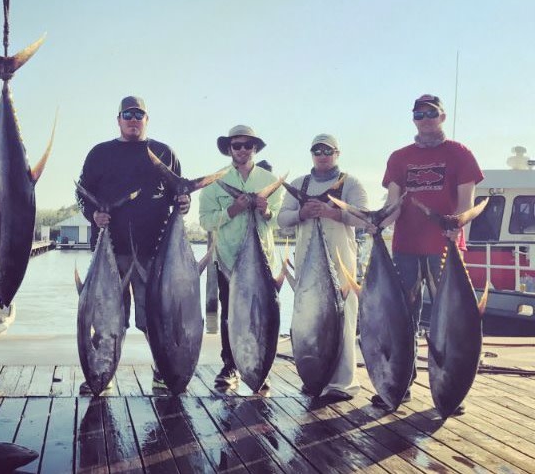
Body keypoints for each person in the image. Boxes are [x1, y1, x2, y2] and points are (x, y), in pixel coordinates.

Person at [76, 96, 190, 390]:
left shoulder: (164, 152)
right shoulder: (100, 153)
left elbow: (178, 192)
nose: (133, 120)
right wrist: (93, 215)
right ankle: (102, 371)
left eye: (139, 115)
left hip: (154, 250)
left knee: (154, 316)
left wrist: (184, 201)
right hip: (110, 249)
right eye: (127, 114)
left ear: (146, 120)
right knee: (107, 317)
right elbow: (81, 194)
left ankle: (164, 370)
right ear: (118, 120)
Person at [378, 94, 483, 414]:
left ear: (442, 117)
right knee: (402, 316)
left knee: (454, 320)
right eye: (418, 114)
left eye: (431, 113)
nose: (424, 119)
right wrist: (377, 223)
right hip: (406, 248)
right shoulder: (399, 157)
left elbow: (466, 201)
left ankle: (451, 386)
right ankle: (401, 382)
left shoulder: (460, 153)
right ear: (413, 119)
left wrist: (457, 226)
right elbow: (393, 204)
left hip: (444, 248)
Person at [277, 133, 367, 401]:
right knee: (308, 319)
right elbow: (282, 219)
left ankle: (343, 383)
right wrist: (302, 213)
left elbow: (363, 218)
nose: (322, 155)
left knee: (344, 318)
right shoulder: (298, 184)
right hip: (307, 262)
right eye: (317, 150)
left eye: (328, 150)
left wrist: (331, 213)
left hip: (341, 264)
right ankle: (314, 377)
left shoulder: (351, 183)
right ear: (312, 154)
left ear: (337, 153)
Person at [199, 125, 282, 388]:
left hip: (263, 261)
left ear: (255, 148)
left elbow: (281, 220)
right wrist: (233, 209)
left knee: (266, 313)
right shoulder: (214, 182)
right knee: (230, 314)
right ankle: (230, 366)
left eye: (248, 145)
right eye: (237, 145)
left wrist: (266, 211)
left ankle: (262, 365)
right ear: (229, 149)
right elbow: (205, 221)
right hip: (228, 259)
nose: (243, 150)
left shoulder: (270, 180)